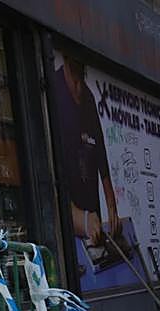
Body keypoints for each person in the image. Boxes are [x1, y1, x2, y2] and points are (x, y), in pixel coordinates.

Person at [52, 57, 118, 250]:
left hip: (92, 216)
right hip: (74, 224)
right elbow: (51, 171)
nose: (78, 86)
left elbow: (101, 156)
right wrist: (77, 216)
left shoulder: (87, 97)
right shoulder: (53, 91)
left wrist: (111, 207)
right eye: (75, 80)